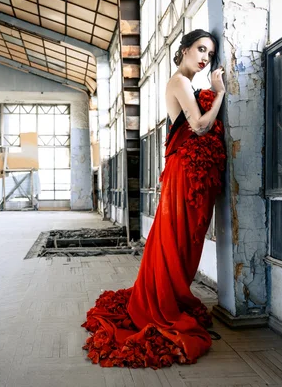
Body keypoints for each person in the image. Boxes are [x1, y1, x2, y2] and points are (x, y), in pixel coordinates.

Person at [82, 29, 227, 369]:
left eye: (210, 52)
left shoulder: (187, 84)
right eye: (200, 49)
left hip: (191, 172)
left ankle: (173, 294)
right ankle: (164, 300)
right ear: (185, 50)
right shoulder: (179, 81)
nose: (205, 57)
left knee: (186, 241)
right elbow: (201, 126)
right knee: (177, 240)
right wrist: (218, 94)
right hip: (183, 172)